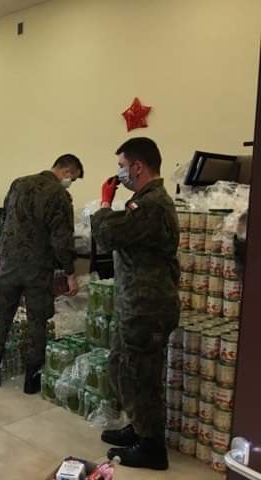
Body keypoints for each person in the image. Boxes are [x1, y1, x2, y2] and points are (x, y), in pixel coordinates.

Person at [91, 137, 180, 471]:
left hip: (147, 306)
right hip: (135, 303)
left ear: (138, 167)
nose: (119, 173)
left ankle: (152, 448)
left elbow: (108, 235)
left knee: (141, 375)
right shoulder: (144, 201)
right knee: (122, 366)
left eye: (122, 166)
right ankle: (139, 425)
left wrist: (104, 202)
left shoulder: (152, 204)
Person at [0, 154, 83, 394]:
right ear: (67, 171)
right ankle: (32, 379)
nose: (71, 182)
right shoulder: (59, 195)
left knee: (2, 315)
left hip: (9, 264)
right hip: (38, 267)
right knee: (37, 320)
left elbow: (6, 219)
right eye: (73, 178)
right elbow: (62, 238)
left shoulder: (19, 183)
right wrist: (70, 272)